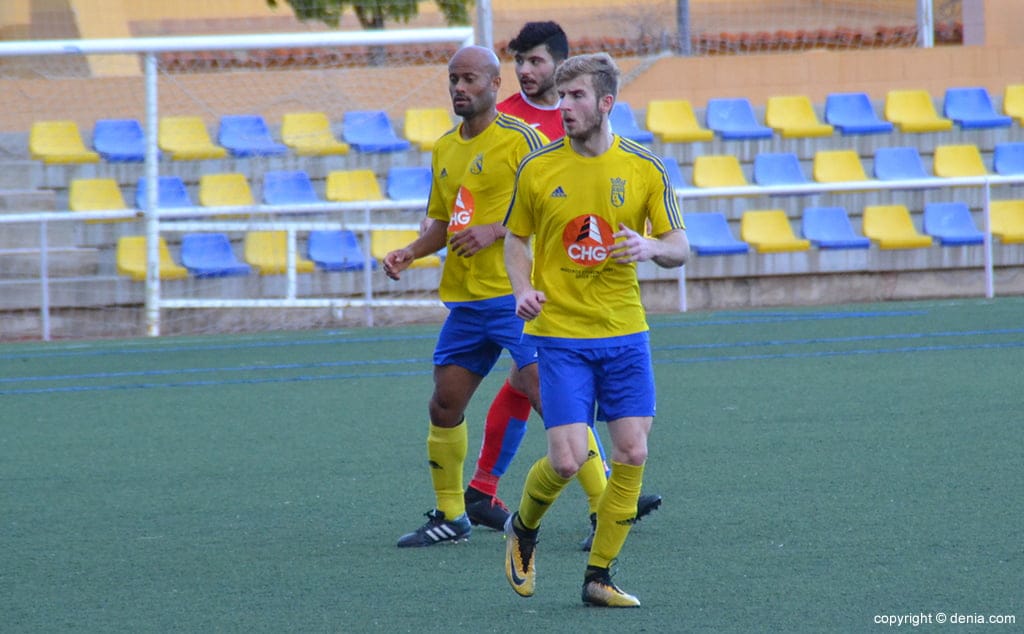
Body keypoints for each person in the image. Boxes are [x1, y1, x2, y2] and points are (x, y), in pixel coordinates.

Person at [465, 21, 663, 552]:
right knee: (521, 391)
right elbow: (494, 194)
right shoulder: (504, 122)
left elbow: (668, 236)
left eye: (534, 62)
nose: (525, 72)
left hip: (597, 305)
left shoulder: (624, 152)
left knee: (521, 383)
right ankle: (582, 501)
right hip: (525, 289)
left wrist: (651, 247)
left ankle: (488, 490)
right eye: (518, 63)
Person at [502, 53, 689, 606]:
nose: (564, 107)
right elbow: (516, 239)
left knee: (631, 453)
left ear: (606, 103)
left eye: (576, 96)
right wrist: (520, 290)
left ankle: (598, 576)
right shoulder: (538, 169)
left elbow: (680, 246)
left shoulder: (645, 168)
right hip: (560, 334)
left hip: (625, 333)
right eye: (560, 97)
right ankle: (522, 529)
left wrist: (651, 246)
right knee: (566, 460)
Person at [386, 45, 548, 547]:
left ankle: (604, 509)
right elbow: (444, 221)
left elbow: (551, 208)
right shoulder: (444, 147)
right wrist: (411, 251)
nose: (460, 88)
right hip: (465, 301)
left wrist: (494, 231)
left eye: (470, 79)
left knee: (554, 404)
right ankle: (453, 515)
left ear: (495, 84)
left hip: (513, 295)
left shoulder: (525, 139)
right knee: (444, 404)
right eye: (453, 79)